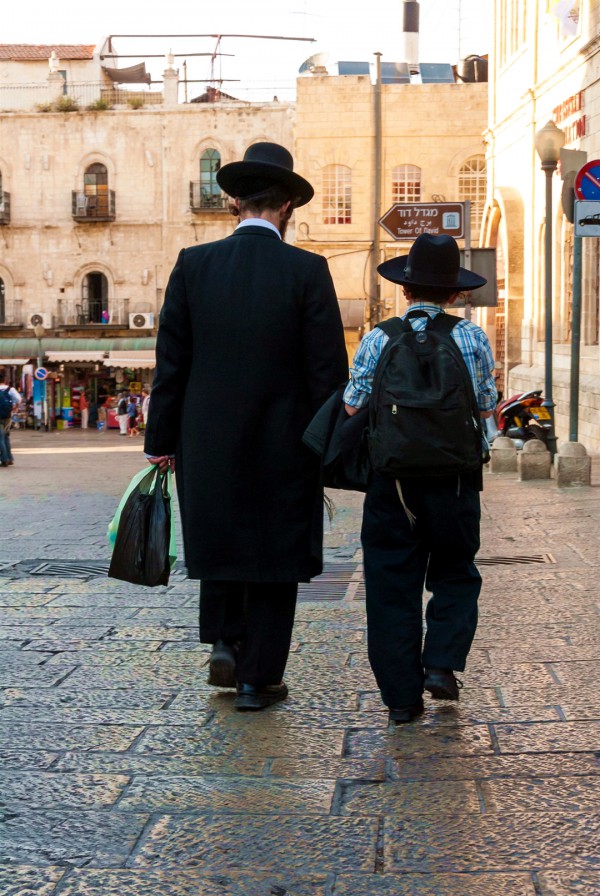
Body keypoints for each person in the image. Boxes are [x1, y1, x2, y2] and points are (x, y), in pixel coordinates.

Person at [145, 142, 347, 712]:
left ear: (233, 201)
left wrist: (161, 441)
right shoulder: (308, 270)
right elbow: (328, 371)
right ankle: (260, 678)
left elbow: (172, 363)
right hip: (287, 441)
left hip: (206, 439)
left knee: (224, 536)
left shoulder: (193, 263)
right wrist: (327, 446)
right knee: (275, 551)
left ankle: (225, 643)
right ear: (287, 206)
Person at [343, 234, 497, 725]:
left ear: (406, 291)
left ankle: (401, 699)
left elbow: (352, 405)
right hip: (455, 479)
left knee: (391, 584)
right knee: (456, 571)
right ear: (455, 293)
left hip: (393, 483)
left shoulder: (379, 337)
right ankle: (441, 665)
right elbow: (486, 404)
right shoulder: (471, 338)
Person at [0, 370, 22, 467]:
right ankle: (9, 458)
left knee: (0, 438)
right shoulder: (10, 389)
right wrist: (15, 407)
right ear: (4, 380)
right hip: (7, 416)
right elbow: (19, 399)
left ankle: (4, 459)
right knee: (5, 436)